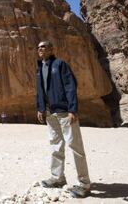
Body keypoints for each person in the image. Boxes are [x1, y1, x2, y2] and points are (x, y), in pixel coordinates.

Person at [35, 40, 91, 198]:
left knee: (75, 147)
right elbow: (40, 90)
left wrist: (72, 109)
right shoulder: (40, 68)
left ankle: (84, 184)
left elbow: (70, 86)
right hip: (50, 114)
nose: (40, 49)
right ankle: (57, 178)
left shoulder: (60, 64)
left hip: (65, 112)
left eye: (44, 46)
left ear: (52, 49)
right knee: (55, 146)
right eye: (38, 47)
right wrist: (40, 108)